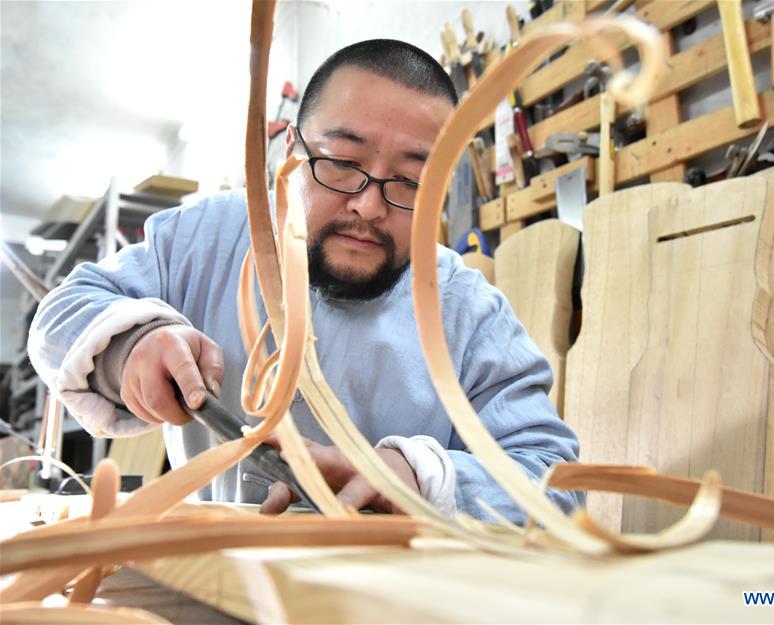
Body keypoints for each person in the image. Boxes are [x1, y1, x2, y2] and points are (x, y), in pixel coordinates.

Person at [28, 39, 582, 523]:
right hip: (211, 578)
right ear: (291, 151)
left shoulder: (469, 313)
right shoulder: (206, 238)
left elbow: (555, 481)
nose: (367, 206)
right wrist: (128, 345)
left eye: (412, 182)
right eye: (341, 162)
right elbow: (62, 312)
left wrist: (416, 477)